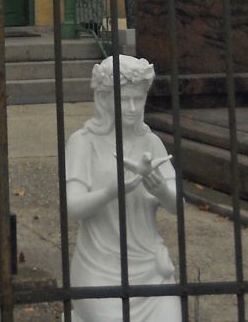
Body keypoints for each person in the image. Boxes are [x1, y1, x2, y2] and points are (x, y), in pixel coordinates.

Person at [66, 55, 183, 321]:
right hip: (99, 266)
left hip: (149, 267)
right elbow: (72, 207)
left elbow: (179, 206)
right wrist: (110, 191)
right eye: (123, 99)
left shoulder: (150, 142)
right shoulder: (84, 142)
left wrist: (161, 190)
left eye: (138, 99)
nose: (132, 108)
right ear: (105, 100)